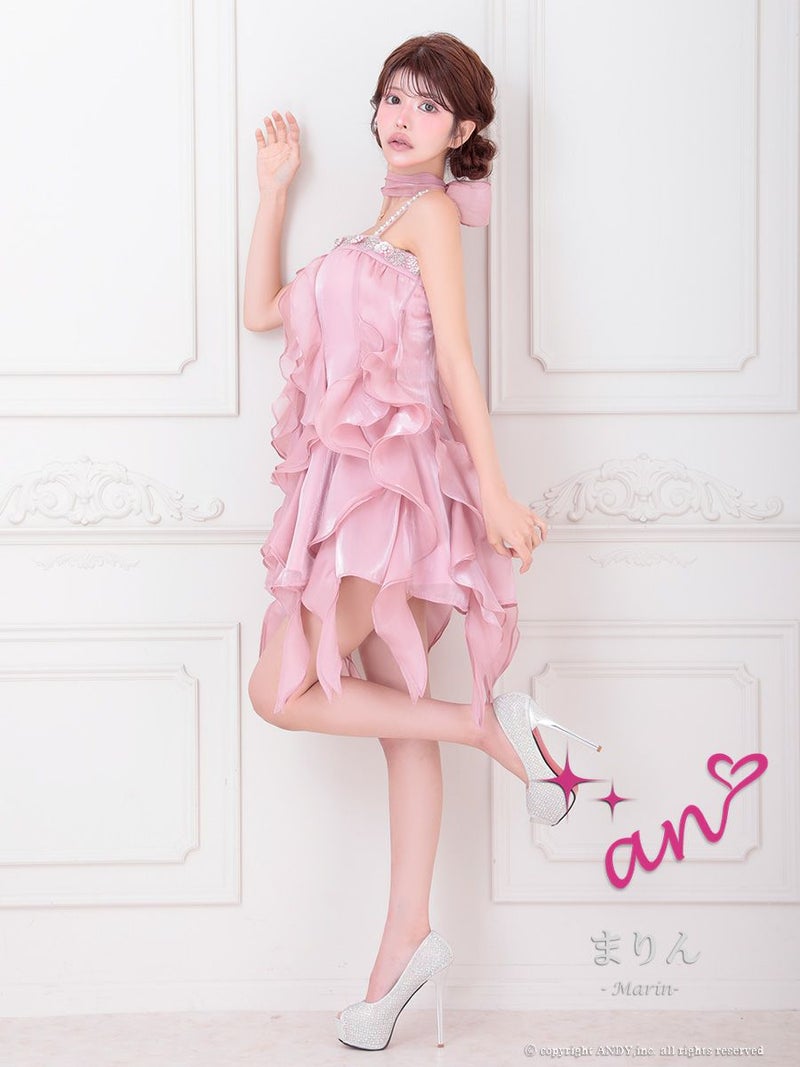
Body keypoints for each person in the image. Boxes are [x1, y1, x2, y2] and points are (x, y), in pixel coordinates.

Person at [243, 32, 601, 1052]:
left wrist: (495, 492)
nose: (401, 116)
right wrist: (274, 192)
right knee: (398, 723)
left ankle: (491, 730)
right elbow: (261, 311)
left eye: (427, 105)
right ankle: (403, 944)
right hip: (346, 495)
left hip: (389, 501)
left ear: (463, 128)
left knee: (278, 691)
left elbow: (455, 361)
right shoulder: (377, 222)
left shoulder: (434, 213)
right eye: (392, 97)